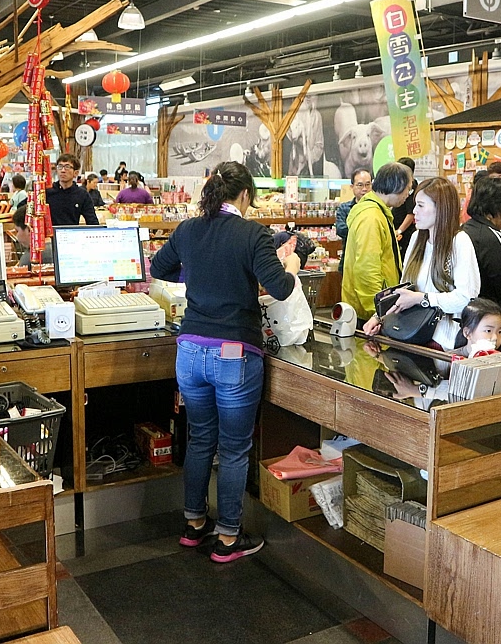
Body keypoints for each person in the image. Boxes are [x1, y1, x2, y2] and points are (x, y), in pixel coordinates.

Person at [150, 161, 299, 563]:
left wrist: (199, 276)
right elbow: (281, 288)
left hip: (190, 353)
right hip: (233, 355)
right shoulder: (253, 234)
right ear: (245, 195)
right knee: (233, 450)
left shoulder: (188, 229)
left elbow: (158, 268)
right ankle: (229, 538)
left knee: (200, 439)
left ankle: (194, 524)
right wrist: (292, 264)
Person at [365, 178, 480, 350]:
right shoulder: (417, 238)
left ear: (440, 208)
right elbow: (405, 290)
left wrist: (422, 299)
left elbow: (465, 298)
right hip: (409, 335)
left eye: (420, 205)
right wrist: (379, 317)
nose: (414, 211)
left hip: (443, 343)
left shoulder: (459, 242)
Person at [341, 162, 413, 323]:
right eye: (408, 188)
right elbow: (367, 269)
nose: (408, 194)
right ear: (397, 185)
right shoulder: (371, 218)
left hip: (372, 308)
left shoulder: (377, 211)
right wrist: (377, 313)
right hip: (367, 314)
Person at [462, 176, 501, 330]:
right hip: (490, 318)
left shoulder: (464, 230)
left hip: (467, 316)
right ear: (499, 209)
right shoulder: (494, 237)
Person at [334, 169, 372, 273]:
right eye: (360, 185)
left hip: (370, 262)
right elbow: (341, 229)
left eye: (367, 185)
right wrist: (364, 231)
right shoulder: (345, 208)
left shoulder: (376, 209)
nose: (364, 189)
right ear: (352, 187)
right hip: (349, 260)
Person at [46, 154, 100, 226]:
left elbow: (92, 222)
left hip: (71, 234)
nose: (63, 170)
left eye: (67, 167)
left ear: (76, 173)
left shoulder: (82, 195)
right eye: (60, 167)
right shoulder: (47, 191)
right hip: (49, 236)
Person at [392, 157, 418, 253]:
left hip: (404, 233)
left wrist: (399, 231)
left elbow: (411, 214)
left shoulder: (412, 188)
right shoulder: (400, 185)